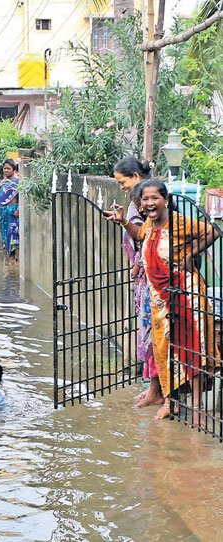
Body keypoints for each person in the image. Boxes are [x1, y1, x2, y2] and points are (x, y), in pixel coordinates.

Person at [109, 179, 220, 423]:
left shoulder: (180, 222)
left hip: (185, 294)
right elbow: (141, 235)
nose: (149, 203)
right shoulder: (149, 221)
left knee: (192, 348)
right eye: (145, 199)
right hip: (159, 297)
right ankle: (171, 402)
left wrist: (191, 254)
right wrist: (124, 221)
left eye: (154, 198)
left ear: (165, 200)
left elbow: (213, 231)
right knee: (164, 349)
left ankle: (198, 407)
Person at [112, 157, 157, 408]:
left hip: (155, 277)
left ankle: (156, 389)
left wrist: (124, 222)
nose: (122, 187)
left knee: (153, 331)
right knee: (149, 331)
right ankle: (153, 386)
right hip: (146, 275)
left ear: (136, 177)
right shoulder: (137, 203)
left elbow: (143, 235)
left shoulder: (147, 203)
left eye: (123, 181)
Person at [0, 159, 20, 264]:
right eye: (4, 168)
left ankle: (18, 265)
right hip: (3, 215)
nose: (6, 170)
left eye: (8, 168)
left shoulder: (17, 183)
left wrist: (16, 210)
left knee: (14, 239)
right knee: (6, 240)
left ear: (13, 170)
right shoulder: (2, 182)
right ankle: (12, 266)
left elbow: (21, 199)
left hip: (12, 214)